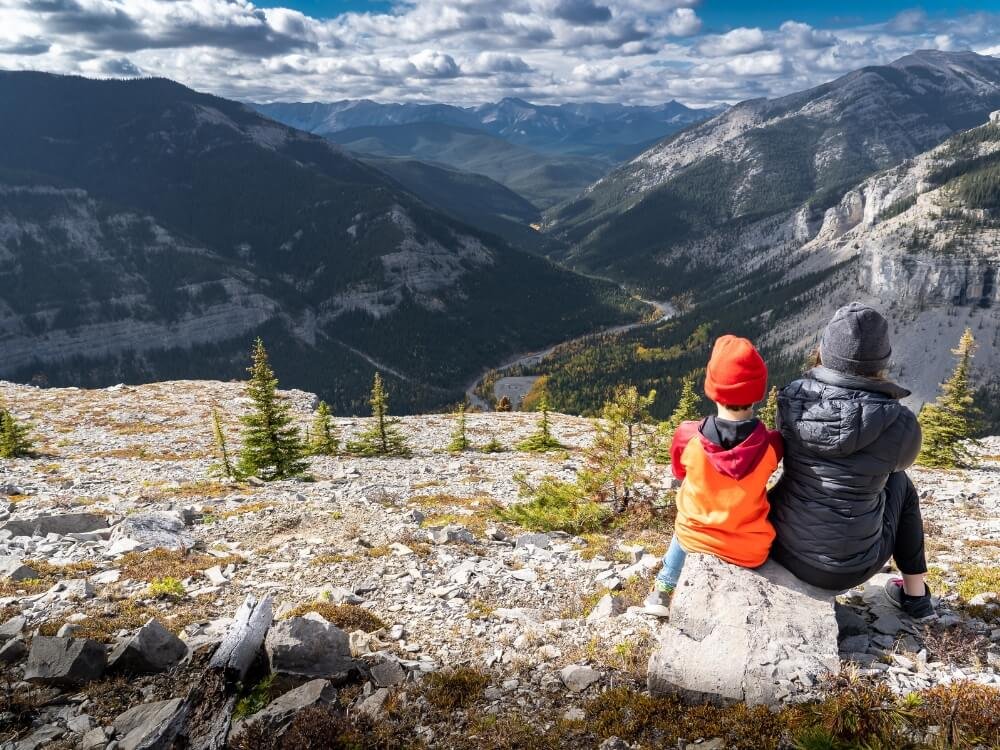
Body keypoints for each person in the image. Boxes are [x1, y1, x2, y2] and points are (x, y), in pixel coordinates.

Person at [768, 302, 934, 619]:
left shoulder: (792, 399)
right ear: (881, 360)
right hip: (852, 567)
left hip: (783, 547)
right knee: (901, 485)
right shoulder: (899, 422)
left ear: (825, 350)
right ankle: (916, 597)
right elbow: (899, 465)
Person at [644, 335, 783, 617]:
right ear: (757, 392)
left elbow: (680, 473)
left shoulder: (687, 436)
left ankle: (664, 588)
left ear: (713, 389)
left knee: (684, 519)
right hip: (749, 549)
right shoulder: (772, 445)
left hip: (694, 539)